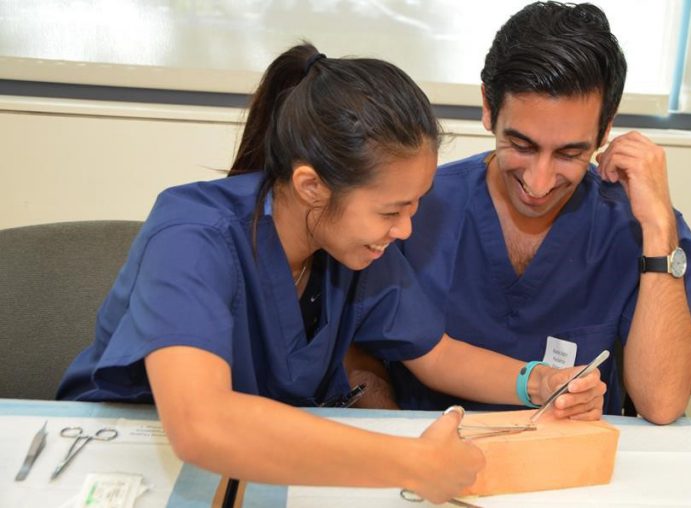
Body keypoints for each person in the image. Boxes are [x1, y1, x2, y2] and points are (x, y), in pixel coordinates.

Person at [57, 43, 605, 502]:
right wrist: (412, 463)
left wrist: (540, 382)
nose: (406, 230)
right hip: (118, 460)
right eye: (392, 210)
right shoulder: (192, 236)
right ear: (311, 186)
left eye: (415, 205)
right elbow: (201, 424)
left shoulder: (351, 245)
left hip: (263, 463)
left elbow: (434, 352)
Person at [348, 1, 691, 425]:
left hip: (572, 469)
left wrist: (657, 228)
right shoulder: (412, 209)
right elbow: (355, 353)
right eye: (521, 146)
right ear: (488, 107)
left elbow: (663, 402)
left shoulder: (632, 225)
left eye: (570, 153)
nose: (539, 183)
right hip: (428, 462)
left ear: (605, 129)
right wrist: (402, 449)